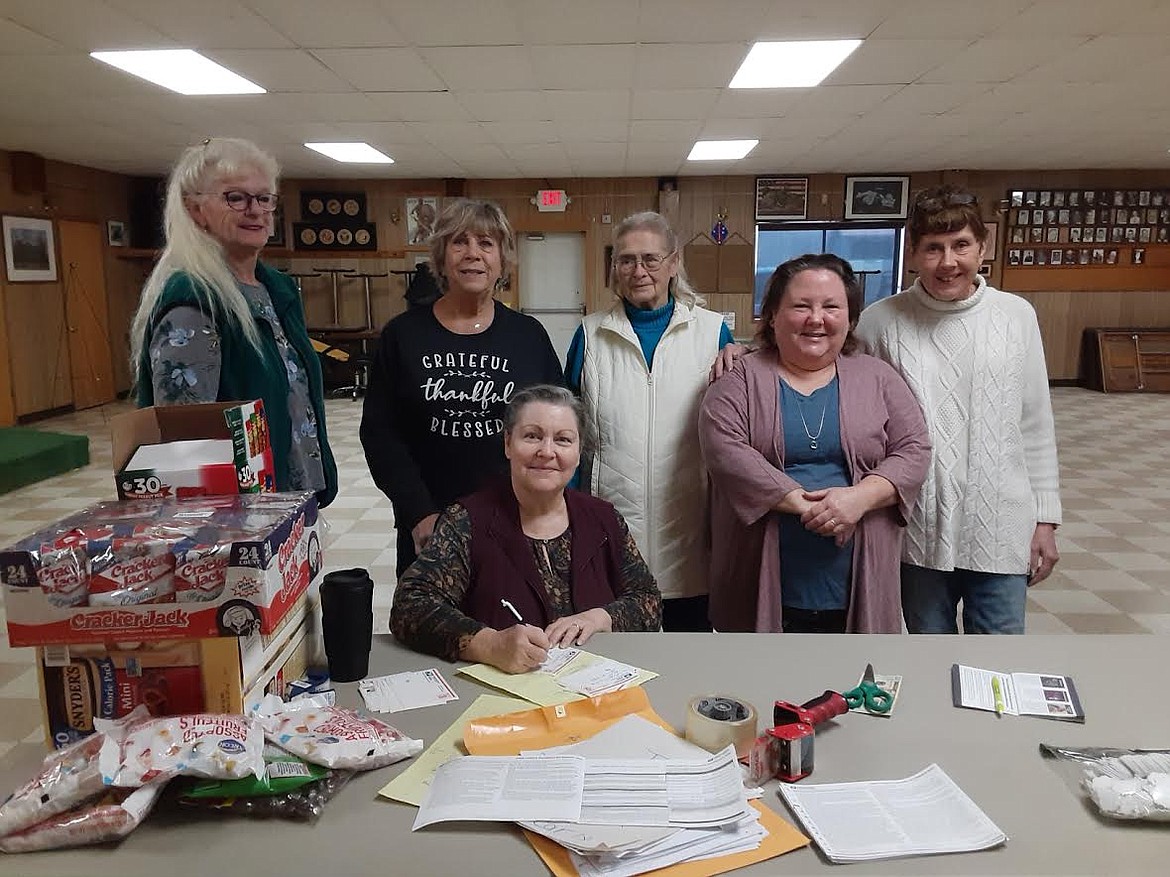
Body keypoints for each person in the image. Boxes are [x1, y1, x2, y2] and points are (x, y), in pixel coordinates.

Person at [855, 185, 1062, 635]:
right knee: (933, 659)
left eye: (961, 245)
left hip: (1001, 525)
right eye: (933, 248)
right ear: (913, 254)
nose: (948, 262)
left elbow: (1035, 424)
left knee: (999, 664)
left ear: (982, 248)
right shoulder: (879, 321)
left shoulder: (1015, 316)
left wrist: (1045, 520)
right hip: (917, 530)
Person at [698, 254, 931, 633]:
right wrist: (813, 507)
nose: (816, 319)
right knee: (762, 685)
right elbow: (726, 450)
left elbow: (914, 449)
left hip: (857, 575)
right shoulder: (738, 378)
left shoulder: (878, 377)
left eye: (831, 307)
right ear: (772, 315)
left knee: (851, 684)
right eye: (801, 306)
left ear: (851, 319)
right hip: (760, 568)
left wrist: (858, 499)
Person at [390, 385, 662, 673]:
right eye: (532, 436)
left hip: (594, 695)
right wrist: (489, 644)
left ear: (579, 452)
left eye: (563, 440)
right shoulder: (468, 520)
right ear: (508, 443)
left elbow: (648, 601)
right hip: (499, 699)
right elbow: (411, 606)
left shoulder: (604, 519)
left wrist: (600, 618)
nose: (547, 451)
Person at [129, 137, 337, 508]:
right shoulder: (195, 299)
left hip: (289, 495)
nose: (255, 210)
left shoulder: (275, 289)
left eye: (264, 198)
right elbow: (183, 439)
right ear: (196, 210)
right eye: (235, 198)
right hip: (234, 516)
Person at [362, 199, 564, 577]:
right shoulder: (403, 336)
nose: (473, 253)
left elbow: (559, 426)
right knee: (432, 629)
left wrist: (549, 505)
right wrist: (418, 512)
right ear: (440, 258)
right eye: (459, 242)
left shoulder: (528, 336)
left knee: (513, 627)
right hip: (429, 523)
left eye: (486, 244)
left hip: (515, 518)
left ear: (502, 260)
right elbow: (380, 435)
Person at [565, 211, 743, 631]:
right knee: (620, 668)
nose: (638, 270)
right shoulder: (590, 335)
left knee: (691, 658)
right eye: (626, 260)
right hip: (611, 533)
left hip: (690, 535)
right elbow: (570, 435)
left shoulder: (712, 332)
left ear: (674, 263)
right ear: (614, 268)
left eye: (651, 258)